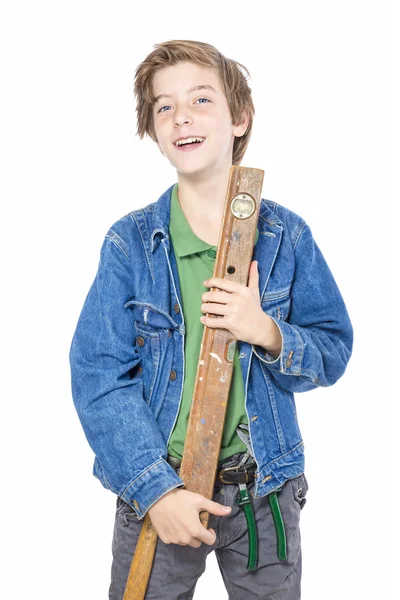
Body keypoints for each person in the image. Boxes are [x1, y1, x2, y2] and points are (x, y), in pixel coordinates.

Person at [69, 40, 353, 600]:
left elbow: (332, 349)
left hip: (263, 492)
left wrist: (267, 331)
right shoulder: (131, 245)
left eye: (201, 99)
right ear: (153, 130)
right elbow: (98, 377)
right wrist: (157, 492)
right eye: (164, 106)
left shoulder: (284, 238)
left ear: (239, 117)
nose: (182, 117)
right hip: (162, 492)